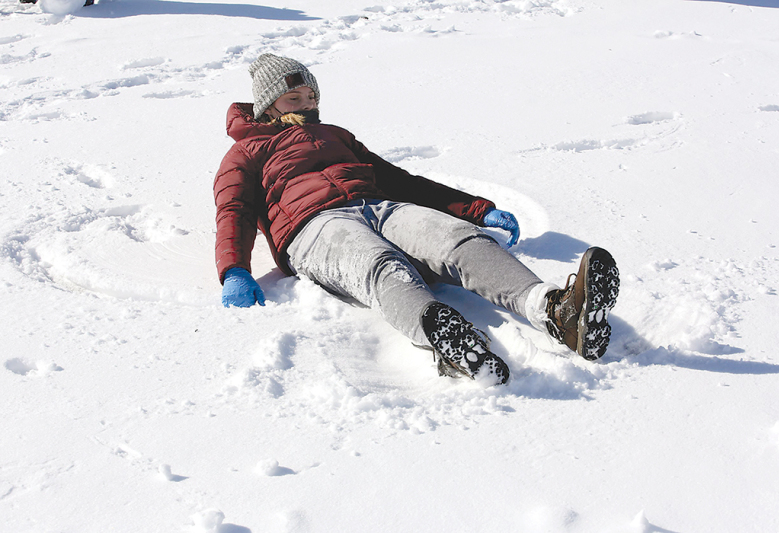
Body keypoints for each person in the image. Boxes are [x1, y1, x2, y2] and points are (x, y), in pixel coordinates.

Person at [213, 54, 619, 386]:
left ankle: (556, 311)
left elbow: (399, 181)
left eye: (310, 96)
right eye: (293, 99)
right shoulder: (246, 153)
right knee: (378, 266)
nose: (307, 106)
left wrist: (475, 209)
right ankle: (449, 340)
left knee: (459, 240)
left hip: (379, 205)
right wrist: (234, 269)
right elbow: (234, 210)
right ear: (267, 106)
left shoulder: (336, 134)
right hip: (313, 228)